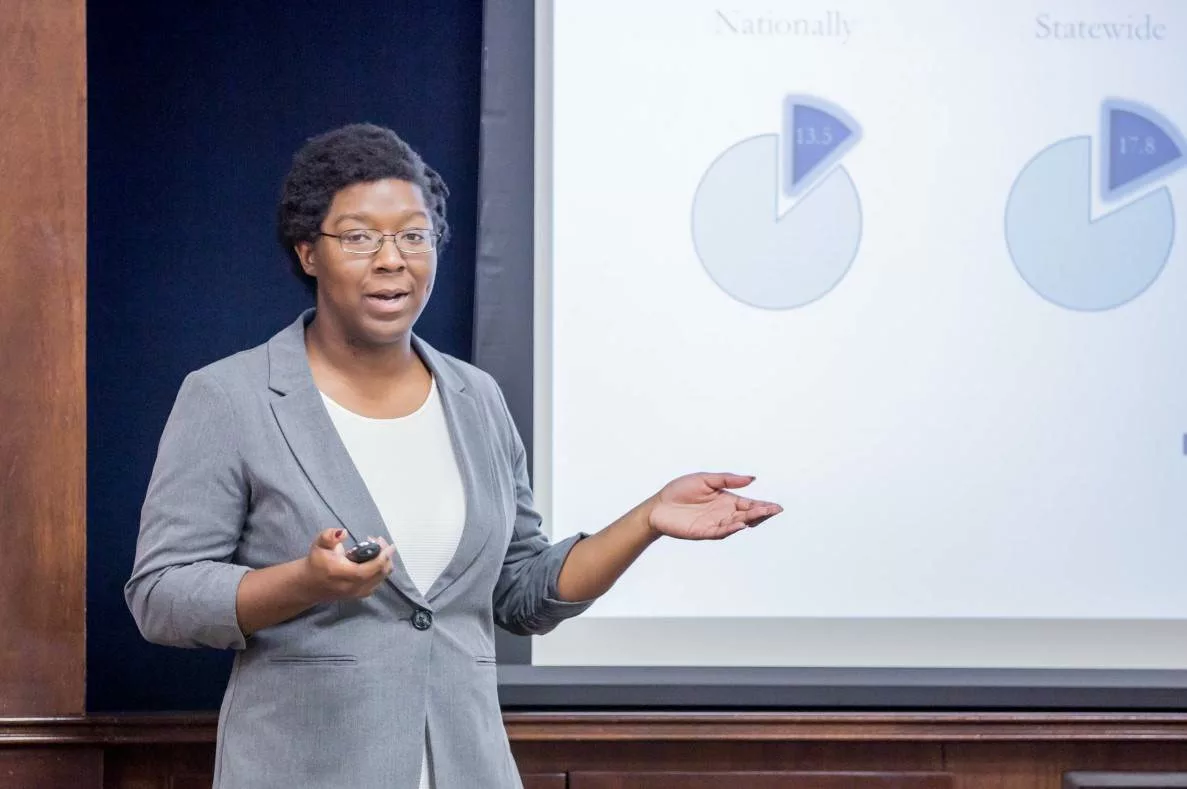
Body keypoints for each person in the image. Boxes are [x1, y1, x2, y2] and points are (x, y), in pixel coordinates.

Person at [125, 123, 783, 789]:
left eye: (414, 235)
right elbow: (160, 595)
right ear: (307, 252)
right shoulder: (230, 397)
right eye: (359, 237)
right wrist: (306, 581)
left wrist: (645, 520)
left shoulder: (476, 399)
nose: (392, 259)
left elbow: (521, 592)